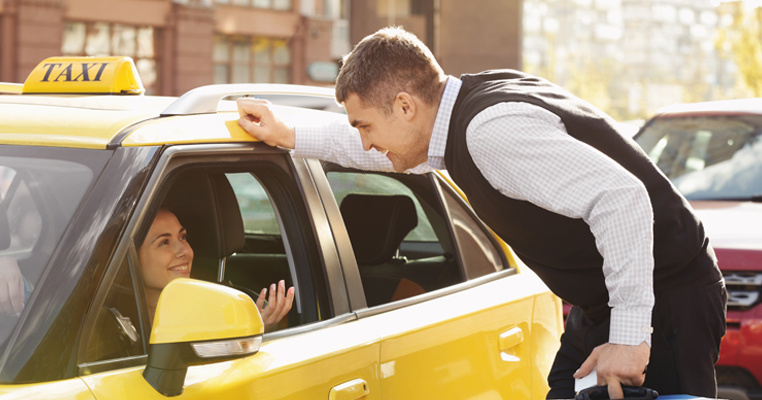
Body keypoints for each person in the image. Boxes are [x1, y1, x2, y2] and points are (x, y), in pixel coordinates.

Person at [235, 27, 726, 399]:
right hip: (610, 303)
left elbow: (622, 198)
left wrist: (631, 338)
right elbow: (387, 152)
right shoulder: (461, 113)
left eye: (365, 125)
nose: (364, 141)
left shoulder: (489, 132)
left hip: (666, 303)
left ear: (404, 106)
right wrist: (289, 134)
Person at [138, 208, 294, 332]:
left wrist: (254, 333)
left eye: (182, 237)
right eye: (164, 242)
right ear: (132, 255)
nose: (185, 251)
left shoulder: (222, 312)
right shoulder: (123, 325)